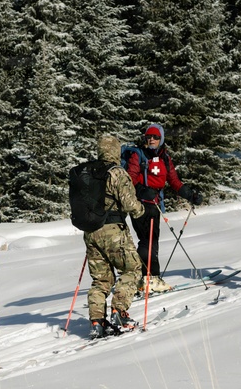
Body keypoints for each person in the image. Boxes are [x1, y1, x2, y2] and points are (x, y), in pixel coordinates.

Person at [124, 123, 201, 292]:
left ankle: (142, 279)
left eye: (155, 137)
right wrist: (142, 191)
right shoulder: (138, 155)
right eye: (148, 137)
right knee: (148, 241)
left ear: (161, 138)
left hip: (155, 204)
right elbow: (129, 178)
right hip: (140, 204)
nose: (151, 139)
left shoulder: (165, 157)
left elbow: (174, 181)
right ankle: (151, 279)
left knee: (149, 241)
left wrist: (190, 195)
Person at [84, 135, 147, 339]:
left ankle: (96, 321)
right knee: (133, 268)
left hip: (90, 231)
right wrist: (141, 210)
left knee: (100, 279)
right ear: (116, 151)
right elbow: (130, 203)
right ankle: (118, 311)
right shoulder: (116, 172)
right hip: (113, 230)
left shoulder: (86, 172)